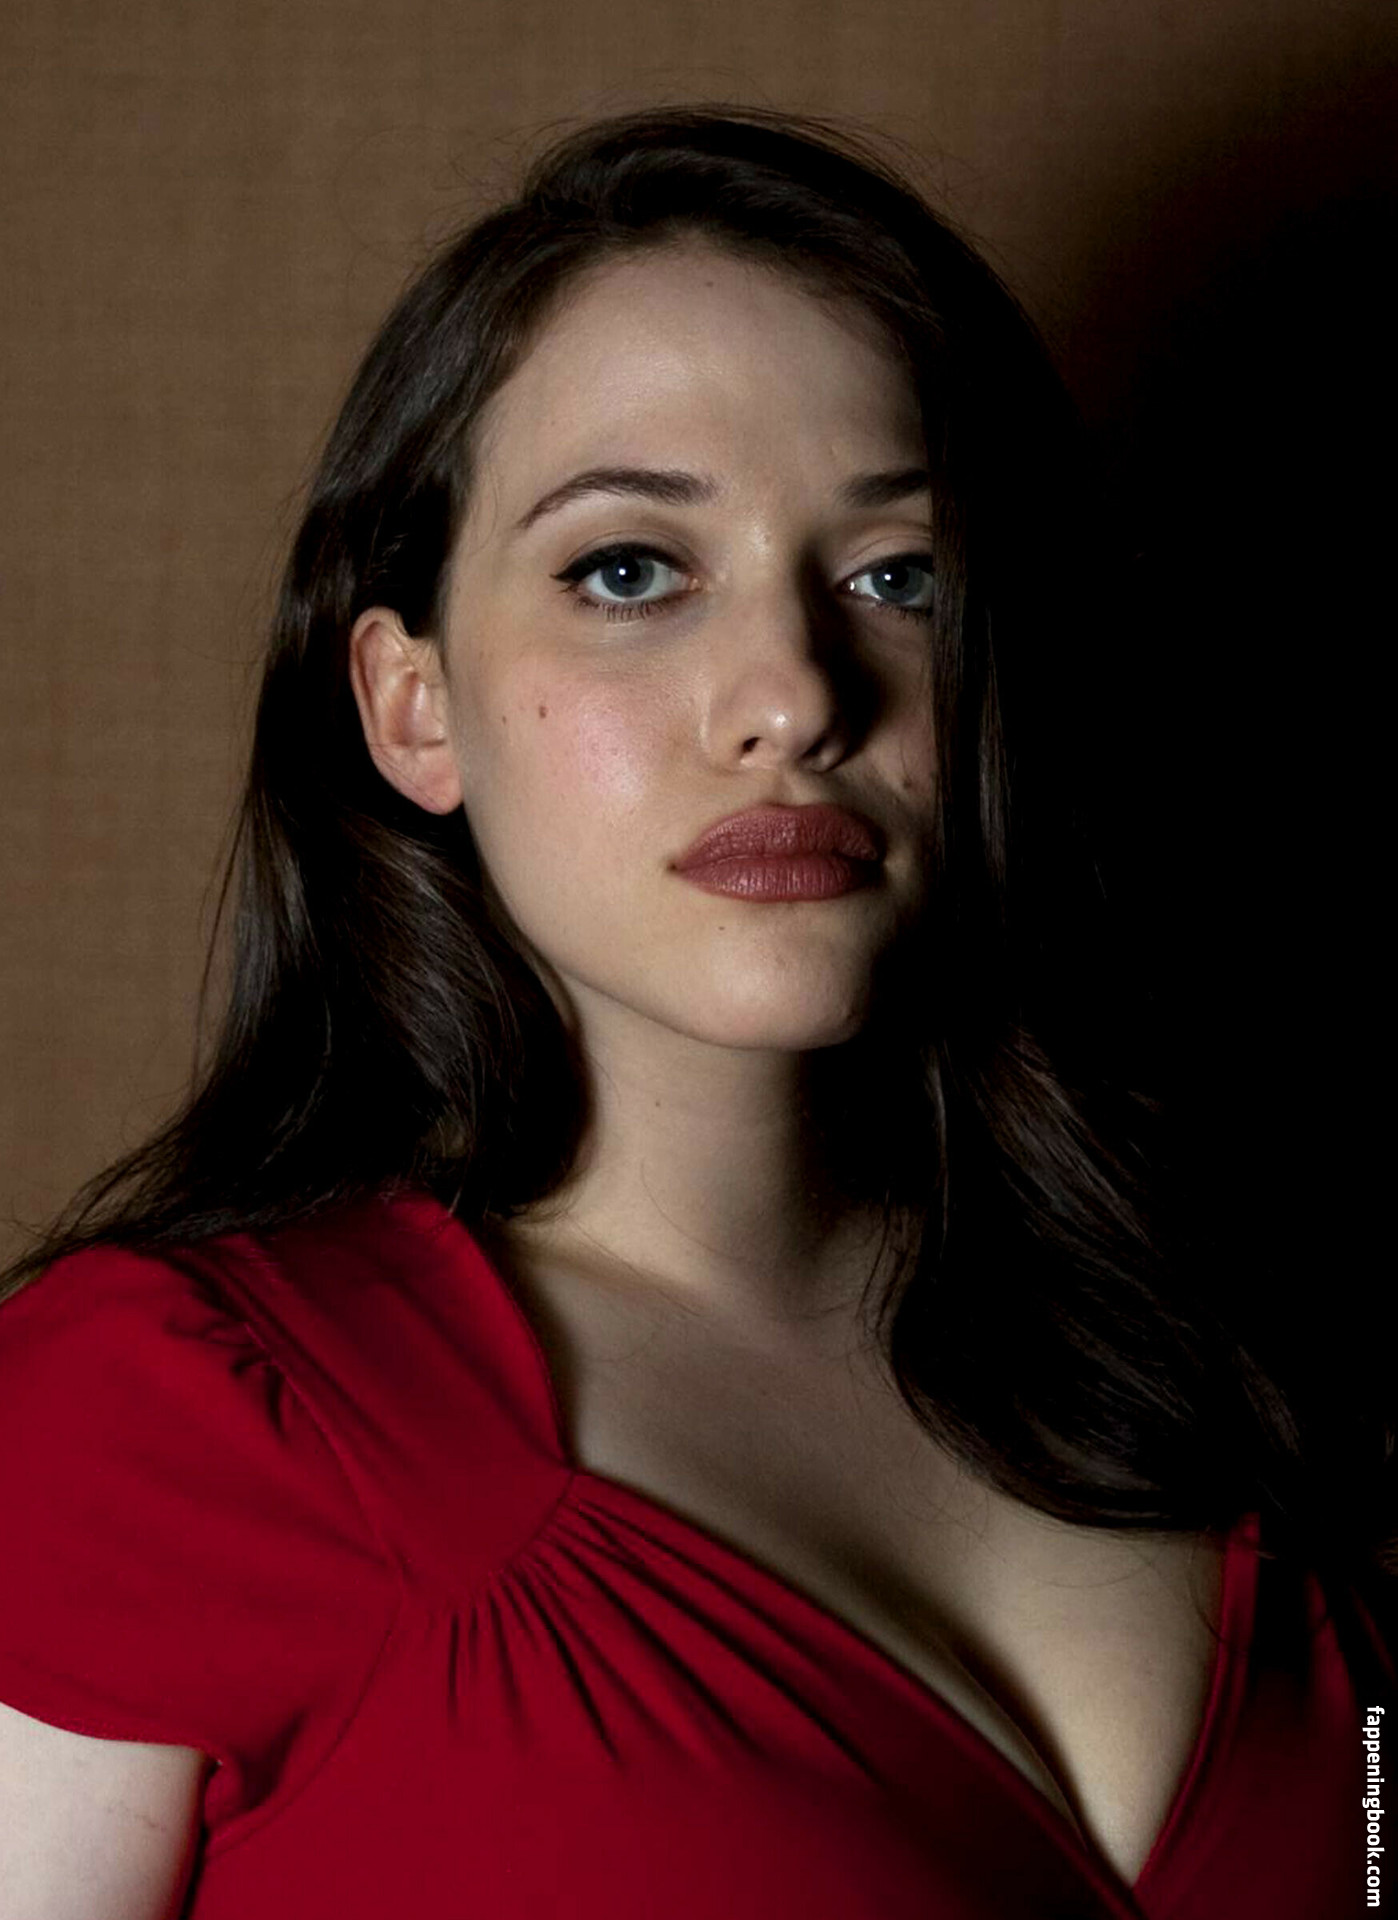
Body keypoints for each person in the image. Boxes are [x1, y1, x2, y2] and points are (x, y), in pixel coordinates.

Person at [0, 105, 1390, 1920]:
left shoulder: (1260, 1383)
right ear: (413, 706)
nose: (792, 695)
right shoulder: (158, 1427)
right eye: (629, 571)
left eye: (899, 576)